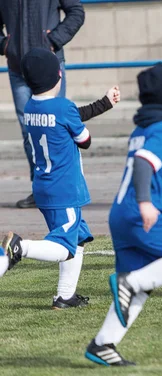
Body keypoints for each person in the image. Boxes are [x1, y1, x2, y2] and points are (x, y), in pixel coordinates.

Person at [84, 63, 162, 367]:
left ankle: (103, 344)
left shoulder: (144, 127)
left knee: (141, 284)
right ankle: (127, 283)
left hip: (121, 216)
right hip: (142, 215)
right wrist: (145, 203)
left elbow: (151, 166)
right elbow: (142, 166)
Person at [0, 48, 95, 310]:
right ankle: (21, 247)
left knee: (77, 239)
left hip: (44, 186)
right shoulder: (63, 106)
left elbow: (66, 118)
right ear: (58, 75)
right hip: (64, 189)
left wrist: (104, 103)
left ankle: (65, 296)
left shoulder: (30, 106)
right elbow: (85, 140)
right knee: (65, 246)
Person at [0, 0, 85, 209]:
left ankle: (65, 189)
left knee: (57, 126)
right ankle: (40, 190)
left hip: (49, 65)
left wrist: (53, 40)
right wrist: (5, 45)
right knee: (29, 131)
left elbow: (76, 12)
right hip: (18, 68)